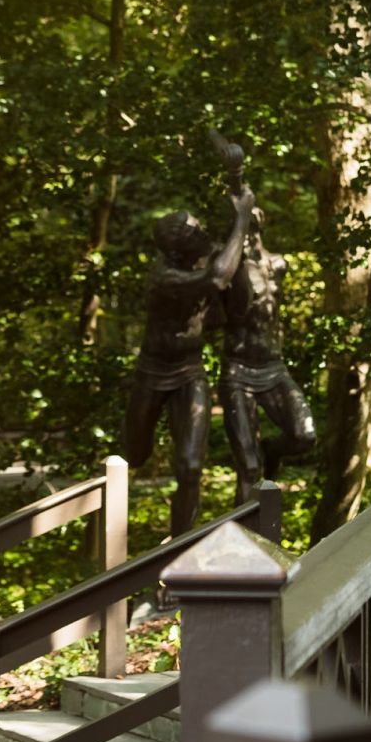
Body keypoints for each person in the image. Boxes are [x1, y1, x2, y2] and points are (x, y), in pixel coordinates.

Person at [122, 185, 256, 534]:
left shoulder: (207, 258)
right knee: (133, 455)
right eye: (194, 230)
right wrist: (240, 218)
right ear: (177, 247)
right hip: (152, 373)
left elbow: (236, 292)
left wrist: (239, 234)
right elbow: (217, 278)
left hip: (190, 372)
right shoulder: (166, 275)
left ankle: (182, 546)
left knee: (191, 466)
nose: (203, 231)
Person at [218, 200, 317, 503]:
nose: (250, 231)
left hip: (273, 369)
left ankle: (271, 451)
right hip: (238, 370)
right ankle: (241, 539)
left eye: (253, 225)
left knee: (304, 436)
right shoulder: (225, 266)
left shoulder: (277, 264)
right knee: (248, 468)